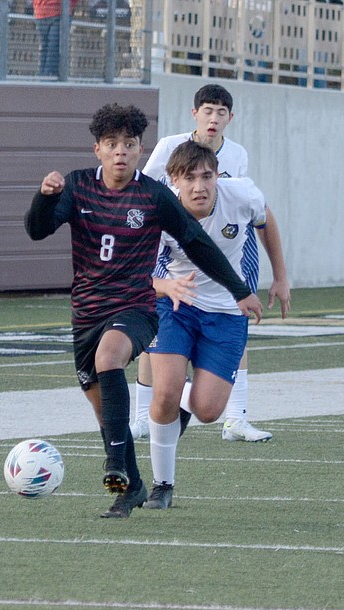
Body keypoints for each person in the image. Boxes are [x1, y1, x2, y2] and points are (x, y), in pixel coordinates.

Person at [24, 103, 261, 518]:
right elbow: (37, 230)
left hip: (136, 307)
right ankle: (131, 487)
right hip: (86, 313)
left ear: (140, 150)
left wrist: (239, 288)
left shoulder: (152, 196)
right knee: (106, 412)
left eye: (129, 144)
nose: (120, 152)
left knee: (109, 359)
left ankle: (115, 466)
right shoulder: (77, 187)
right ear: (97, 149)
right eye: (111, 144)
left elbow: (196, 242)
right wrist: (44, 199)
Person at [132, 83, 290, 443]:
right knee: (156, 338)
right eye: (208, 110)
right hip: (175, 265)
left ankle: (233, 416)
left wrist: (280, 275)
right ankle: (146, 413)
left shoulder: (238, 168)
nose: (214, 118)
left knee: (233, 318)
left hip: (227, 255)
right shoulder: (169, 154)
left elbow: (263, 216)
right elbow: (146, 190)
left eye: (221, 112)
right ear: (195, 113)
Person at [146, 140, 266, 509]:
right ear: (173, 181)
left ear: (218, 176)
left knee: (208, 411)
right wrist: (165, 286)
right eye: (189, 178)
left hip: (227, 314)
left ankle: (184, 398)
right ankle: (162, 485)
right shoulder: (158, 211)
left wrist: (281, 277)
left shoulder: (241, 195)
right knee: (164, 392)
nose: (199, 186)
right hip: (176, 306)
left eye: (206, 176)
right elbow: (135, 274)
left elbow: (267, 220)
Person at [33, 0, 79, 77]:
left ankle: (42, 80)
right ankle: (48, 81)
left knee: (45, 50)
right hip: (59, 11)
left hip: (41, 11)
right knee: (53, 51)